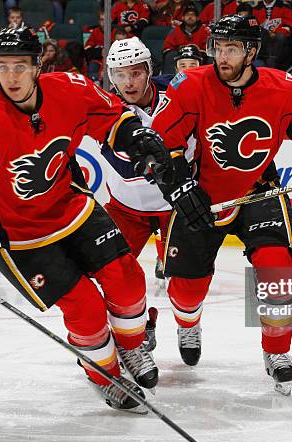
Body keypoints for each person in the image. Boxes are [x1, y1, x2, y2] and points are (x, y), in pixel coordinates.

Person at [0, 25, 174, 412]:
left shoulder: (70, 88)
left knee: (128, 279)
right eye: (2, 66)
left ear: (37, 65)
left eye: (20, 66)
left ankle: (131, 347)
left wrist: (140, 140)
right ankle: (104, 373)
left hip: (73, 208)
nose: (11, 76)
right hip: (21, 237)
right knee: (85, 308)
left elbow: (112, 119)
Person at [150, 15, 292, 392]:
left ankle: (276, 351)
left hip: (260, 191)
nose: (220, 57)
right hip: (202, 195)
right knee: (185, 289)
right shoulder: (191, 85)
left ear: (251, 51)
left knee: (278, 274)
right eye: (217, 47)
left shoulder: (285, 88)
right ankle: (188, 323)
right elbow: (161, 144)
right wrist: (177, 186)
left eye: (230, 49)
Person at [104, 37, 177, 293]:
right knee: (112, 280)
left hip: (175, 206)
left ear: (149, 70)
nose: (128, 82)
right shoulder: (104, 108)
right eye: (120, 74)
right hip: (126, 208)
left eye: (135, 72)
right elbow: (124, 166)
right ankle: (142, 326)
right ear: (111, 77)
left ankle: (189, 330)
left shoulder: (176, 91)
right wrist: (155, 165)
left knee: (185, 284)